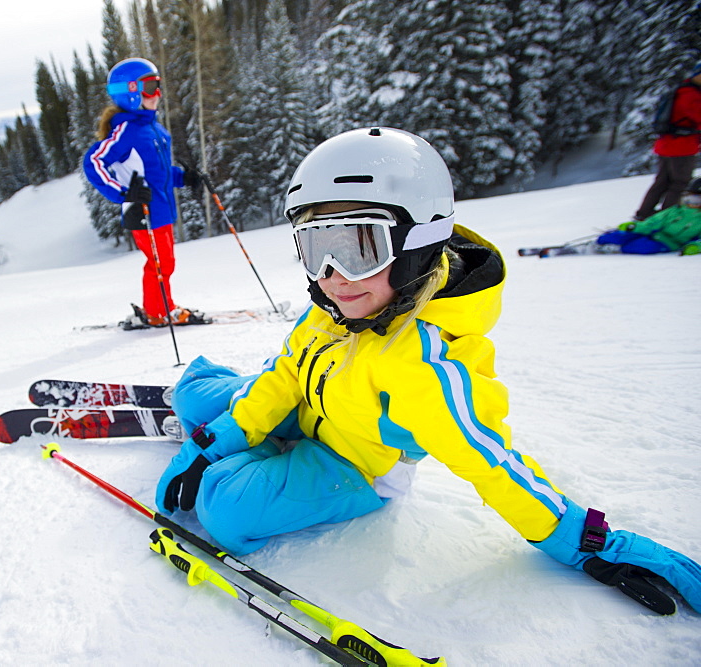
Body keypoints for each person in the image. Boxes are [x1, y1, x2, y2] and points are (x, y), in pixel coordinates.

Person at [155, 127, 701, 615]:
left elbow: (492, 463)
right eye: (317, 247)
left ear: (418, 243)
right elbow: (287, 373)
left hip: (353, 464)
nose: (335, 276)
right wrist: (214, 441)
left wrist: (591, 544)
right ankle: (236, 423)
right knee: (196, 398)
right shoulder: (340, 307)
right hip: (310, 410)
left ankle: (260, 451)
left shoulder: (426, 368)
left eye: (360, 246)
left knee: (223, 508)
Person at [83, 57, 202, 327]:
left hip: (161, 207)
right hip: (143, 210)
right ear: (132, 91)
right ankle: (159, 312)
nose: (157, 93)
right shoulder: (125, 130)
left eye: (158, 85)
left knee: (165, 262)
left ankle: (160, 308)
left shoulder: (154, 129)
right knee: (160, 264)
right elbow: (93, 161)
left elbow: (156, 173)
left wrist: (185, 177)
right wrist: (124, 193)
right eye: (150, 87)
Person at [633, 62, 701, 221]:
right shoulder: (691, 95)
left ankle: (644, 213)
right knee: (680, 183)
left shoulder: (681, 91)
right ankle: (667, 217)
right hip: (681, 146)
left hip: (666, 145)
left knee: (662, 182)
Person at [600, 177, 701, 255]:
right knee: (620, 236)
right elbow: (654, 222)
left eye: (697, 201)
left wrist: (695, 247)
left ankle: (617, 249)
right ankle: (597, 244)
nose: (691, 204)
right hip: (654, 232)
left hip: (670, 243)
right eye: (688, 199)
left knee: (644, 246)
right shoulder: (676, 210)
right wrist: (635, 227)